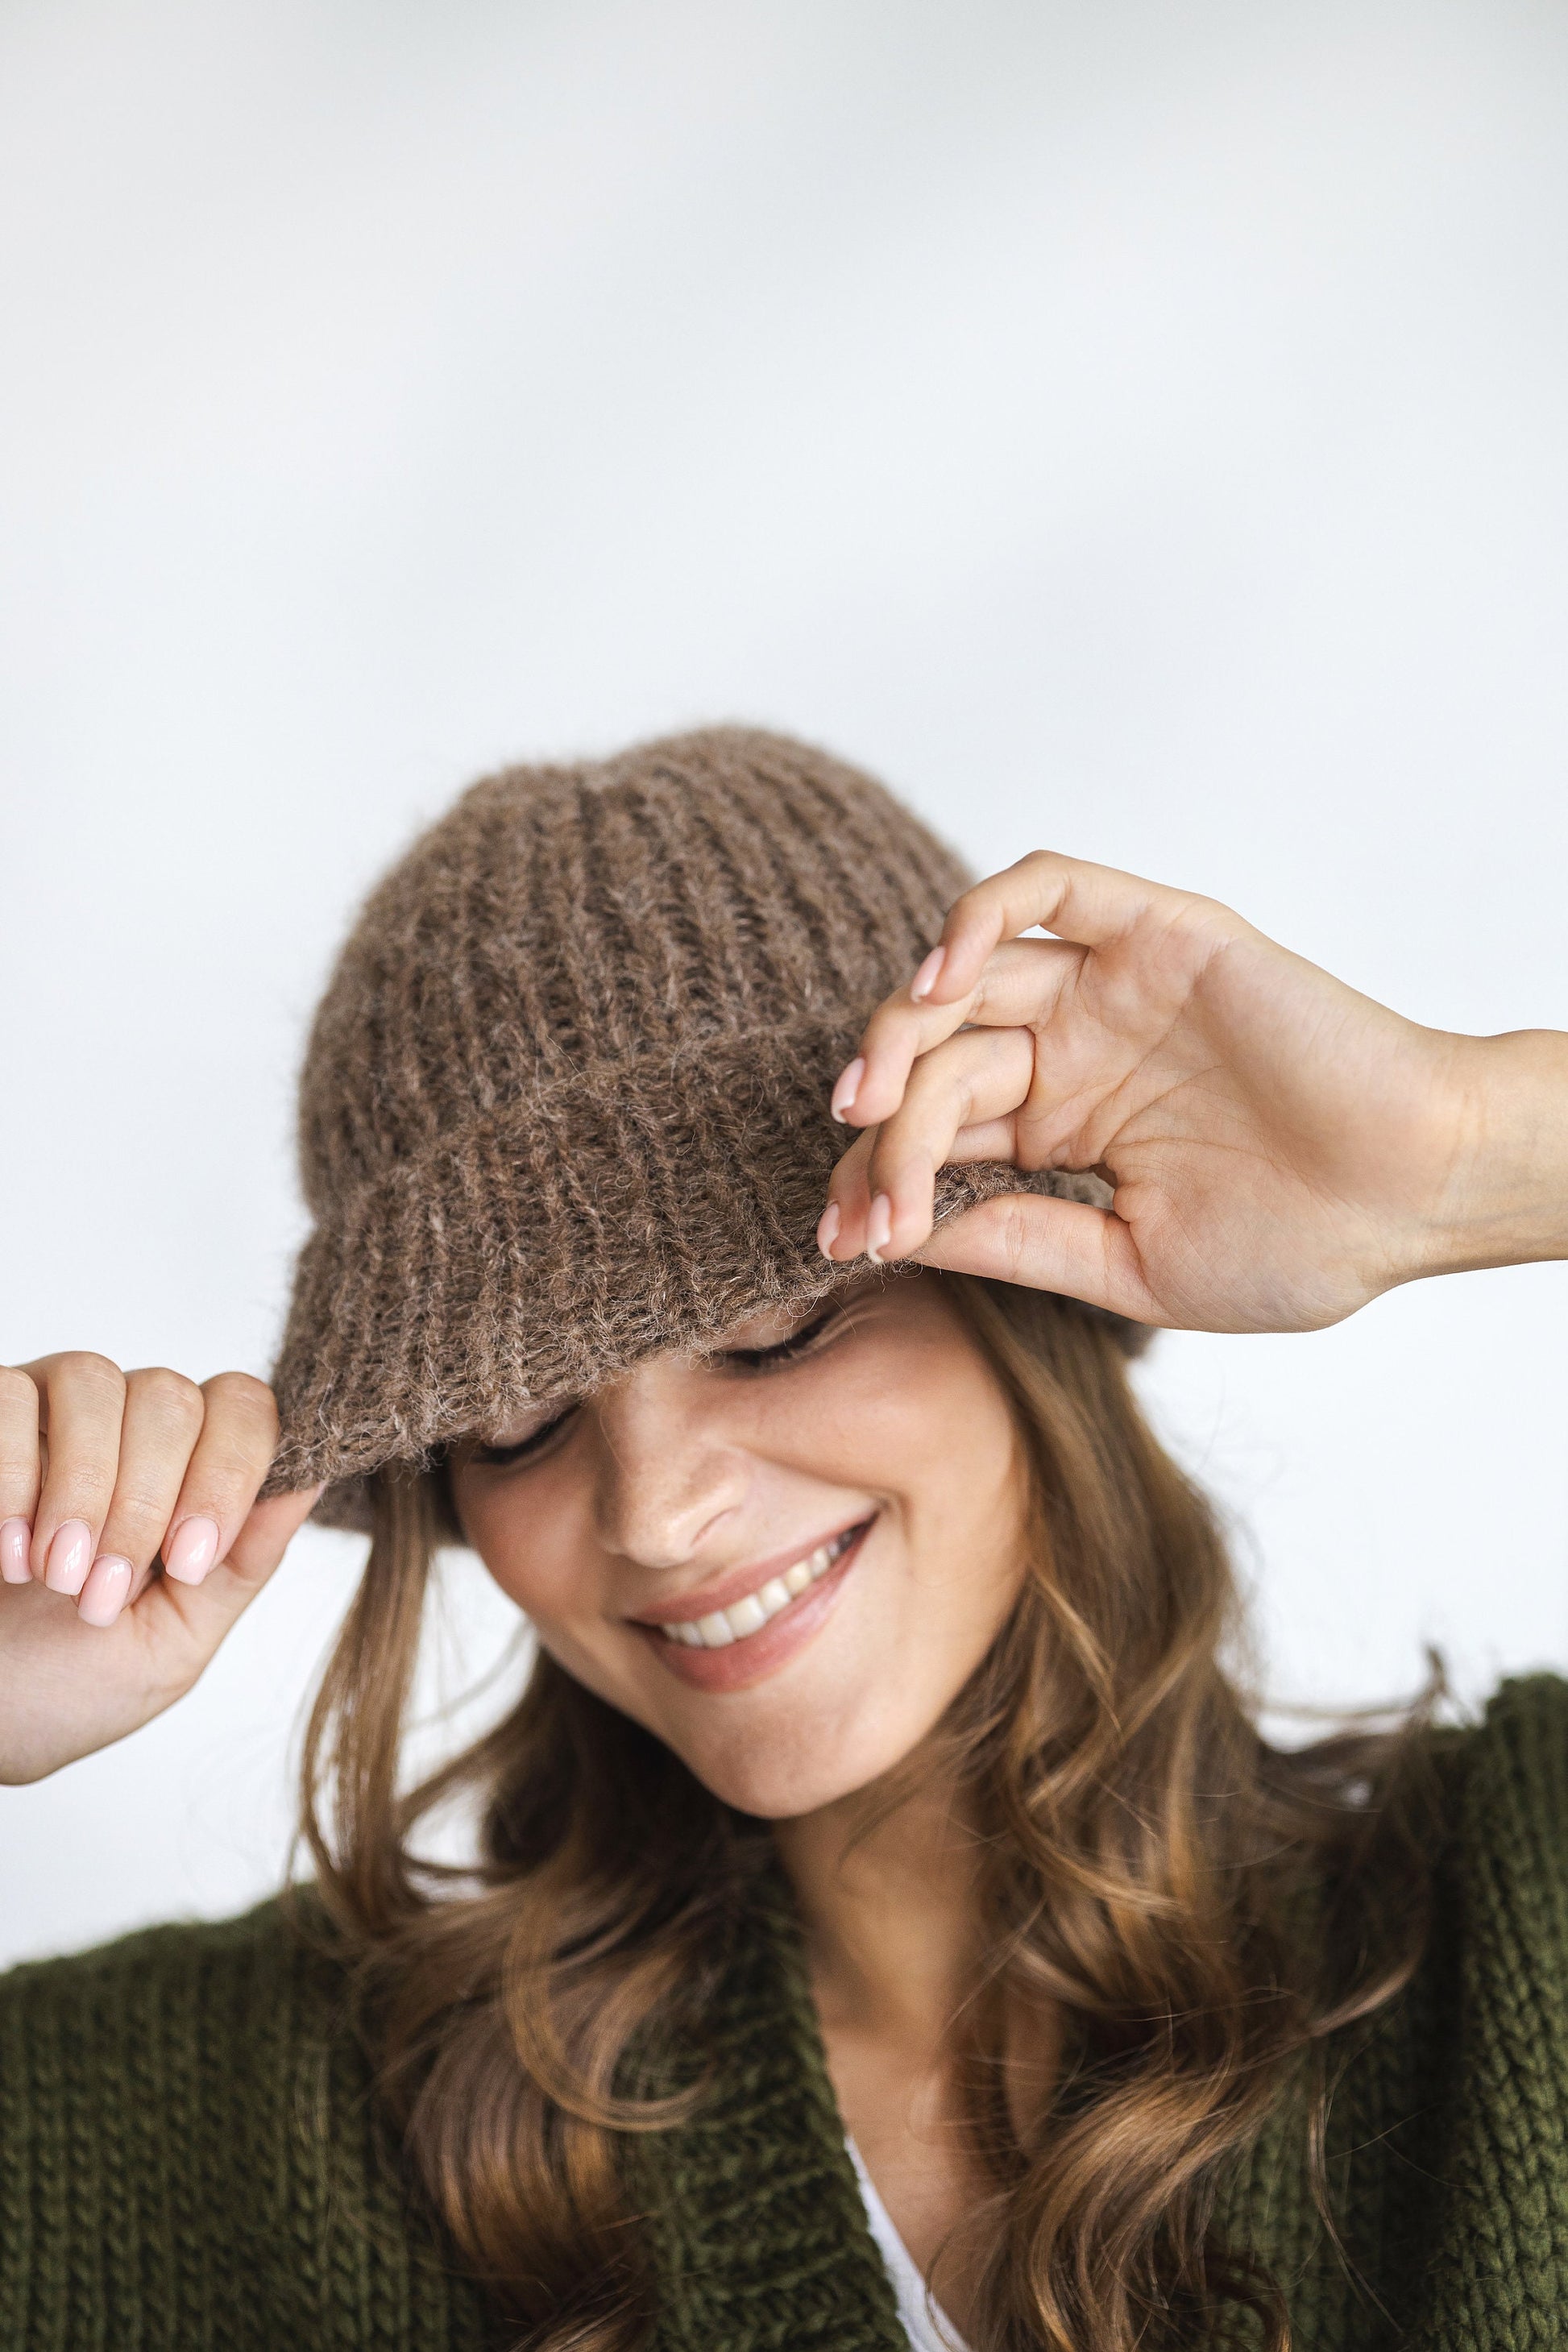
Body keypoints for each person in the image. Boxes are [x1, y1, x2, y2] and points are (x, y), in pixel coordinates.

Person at [1, 727, 1564, 2352]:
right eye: (516, 1424)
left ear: (1031, 1286)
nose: (658, 1510)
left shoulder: (1513, 1924)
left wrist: (1463, 1153)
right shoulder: (263, 2126)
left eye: (777, 1327)